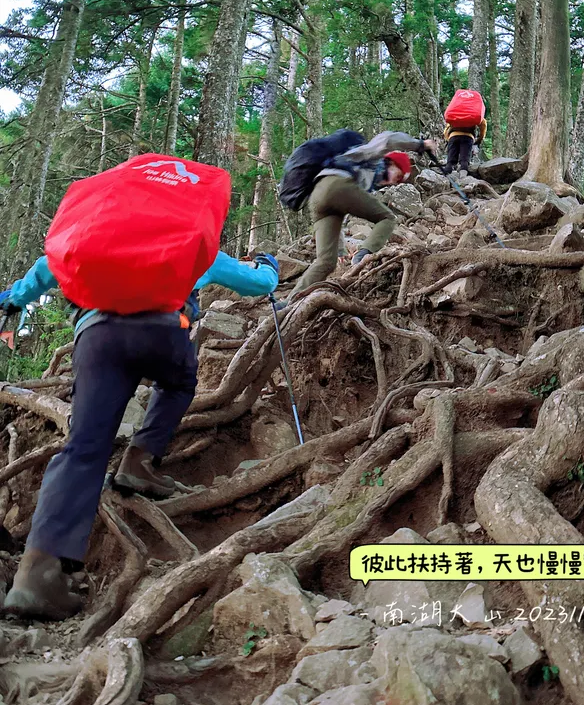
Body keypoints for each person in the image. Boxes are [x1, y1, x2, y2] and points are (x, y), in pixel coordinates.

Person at [0, 248, 278, 620]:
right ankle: (140, 460)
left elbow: (47, 265)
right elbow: (256, 283)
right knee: (179, 383)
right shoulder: (187, 240)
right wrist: (268, 268)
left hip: (97, 333)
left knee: (83, 446)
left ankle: (35, 576)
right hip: (163, 331)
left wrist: (12, 298)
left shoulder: (95, 236)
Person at [282, 132, 437, 305]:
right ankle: (362, 256)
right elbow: (388, 140)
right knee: (387, 218)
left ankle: (288, 303)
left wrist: (340, 249)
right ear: (391, 163)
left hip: (318, 198)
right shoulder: (372, 157)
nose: (395, 183)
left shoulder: (363, 179)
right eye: (399, 176)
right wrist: (420, 144)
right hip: (335, 185)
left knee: (326, 262)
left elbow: (340, 212)